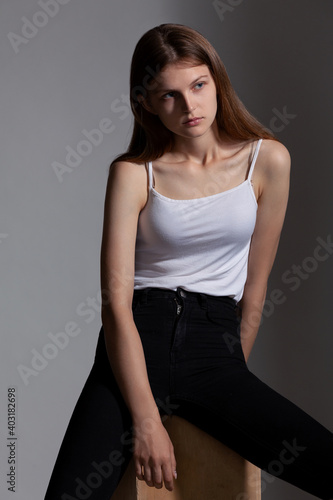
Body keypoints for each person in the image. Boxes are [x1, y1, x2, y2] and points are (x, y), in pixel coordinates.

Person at [44, 23, 333, 500]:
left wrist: (229, 368)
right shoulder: (134, 173)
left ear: (216, 80)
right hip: (137, 344)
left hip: (214, 348)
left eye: (198, 85)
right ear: (148, 104)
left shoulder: (268, 161)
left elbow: (255, 287)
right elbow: (116, 306)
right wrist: (146, 420)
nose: (189, 106)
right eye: (169, 95)